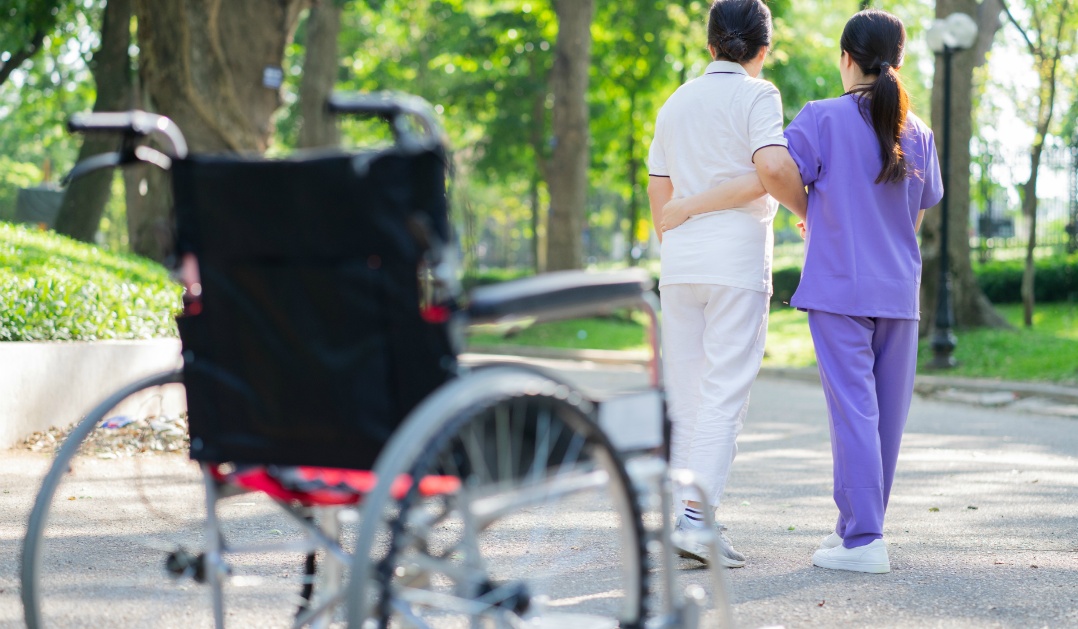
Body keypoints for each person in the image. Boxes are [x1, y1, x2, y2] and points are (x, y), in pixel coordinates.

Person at [782, 9, 944, 573]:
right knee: (885, 417)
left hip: (839, 289)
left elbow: (775, 171)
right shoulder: (918, 131)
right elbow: (914, 216)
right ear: (897, 62)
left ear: (846, 59)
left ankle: (865, 539)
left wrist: (810, 211)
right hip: (899, 290)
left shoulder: (820, 117)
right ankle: (854, 528)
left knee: (853, 412)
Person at [646, 0, 806, 568]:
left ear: (710, 43)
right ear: (763, 48)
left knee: (686, 393)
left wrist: (681, 241)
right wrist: (805, 209)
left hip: (681, 263)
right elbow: (771, 167)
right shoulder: (758, 95)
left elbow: (659, 189)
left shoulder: (675, 102)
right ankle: (694, 520)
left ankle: (685, 513)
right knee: (724, 394)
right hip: (735, 261)